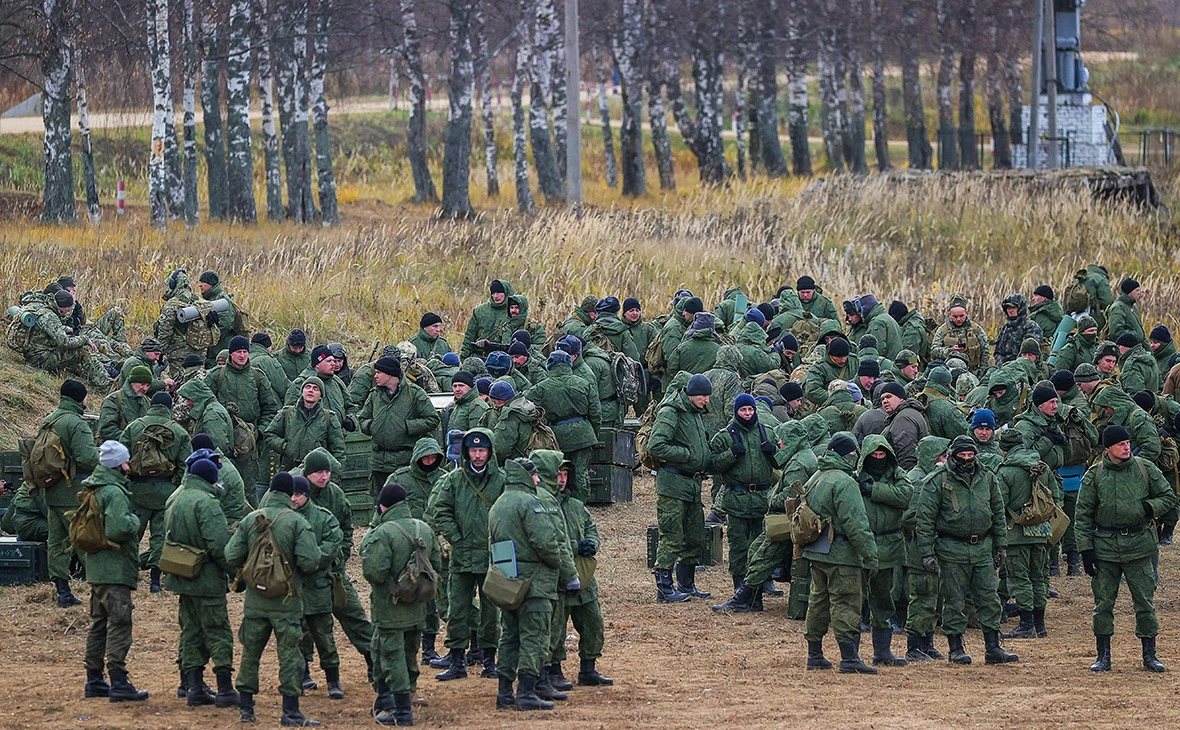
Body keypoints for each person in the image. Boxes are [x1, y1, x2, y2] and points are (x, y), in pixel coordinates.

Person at [1077, 425, 1177, 672]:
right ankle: (1103, 656)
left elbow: (1169, 496)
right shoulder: (1094, 475)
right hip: (1105, 548)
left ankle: (1149, 654)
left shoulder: (1145, 469)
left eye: (1127, 443)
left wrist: (1147, 508)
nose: (1126, 447)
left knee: (1144, 601)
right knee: (1103, 604)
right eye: (1120, 444)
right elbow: (1083, 515)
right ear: (1108, 448)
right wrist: (1085, 550)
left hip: (1139, 546)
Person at [224, 472, 322, 726]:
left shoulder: (250, 519)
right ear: (290, 494)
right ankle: (290, 711)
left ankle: (246, 708)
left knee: (250, 653)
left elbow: (231, 554)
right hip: (286, 600)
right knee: (290, 653)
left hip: (256, 599)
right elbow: (310, 561)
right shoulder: (296, 522)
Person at [914, 436, 1018, 666]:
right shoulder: (937, 481)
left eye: (971, 455)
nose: (967, 459)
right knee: (954, 600)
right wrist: (927, 553)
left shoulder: (987, 478)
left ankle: (993, 647)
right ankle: (956, 648)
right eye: (963, 456)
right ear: (953, 455)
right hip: (950, 548)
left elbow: (998, 513)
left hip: (982, 547)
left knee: (989, 598)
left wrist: (1001, 545)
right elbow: (924, 521)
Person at [488, 457, 578, 711]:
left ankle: (505, 692)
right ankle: (527, 692)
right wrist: (560, 567)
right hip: (536, 585)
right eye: (535, 476)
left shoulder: (499, 504)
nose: (538, 480)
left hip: (508, 582)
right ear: (527, 477)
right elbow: (547, 543)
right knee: (535, 637)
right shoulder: (530, 503)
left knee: (509, 637)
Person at [426, 429, 505, 680]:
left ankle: (489, 662)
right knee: (458, 608)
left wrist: (499, 541)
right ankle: (457, 661)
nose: (478, 455)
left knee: (491, 611)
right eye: (473, 450)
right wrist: (456, 539)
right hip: (462, 554)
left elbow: (510, 512)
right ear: (466, 452)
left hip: (492, 555)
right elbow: (441, 511)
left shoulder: (501, 480)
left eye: (482, 450)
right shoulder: (454, 480)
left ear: (490, 452)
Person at [362, 483, 442, 726]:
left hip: (390, 607)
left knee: (390, 654)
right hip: (418, 605)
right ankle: (396, 697)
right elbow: (437, 563)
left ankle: (401, 711)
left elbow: (374, 571)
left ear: (383, 506)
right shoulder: (424, 529)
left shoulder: (383, 532)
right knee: (409, 652)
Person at [162, 454, 238, 709]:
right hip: (206, 579)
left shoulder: (176, 498)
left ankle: (194, 687)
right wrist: (237, 573)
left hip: (182, 576)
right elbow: (219, 546)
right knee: (218, 631)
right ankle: (225, 688)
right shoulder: (207, 503)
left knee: (191, 632)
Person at [800, 434, 879, 673]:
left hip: (817, 550)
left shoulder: (817, 476)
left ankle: (815, 655)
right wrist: (870, 555)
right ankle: (849, 657)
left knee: (818, 602)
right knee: (845, 601)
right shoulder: (844, 482)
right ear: (848, 454)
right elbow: (856, 524)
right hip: (841, 553)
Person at [81, 441, 150, 702]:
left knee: (98, 624)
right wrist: (134, 520)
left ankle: (94, 680)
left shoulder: (93, 487)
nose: (129, 464)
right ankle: (119, 682)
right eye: (127, 460)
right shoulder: (115, 492)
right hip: (115, 568)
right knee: (120, 623)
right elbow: (118, 528)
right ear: (121, 464)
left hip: (97, 568)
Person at [648, 374, 716, 603]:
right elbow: (656, 445)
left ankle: (686, 583)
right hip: (673, 484)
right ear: (691, 393)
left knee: (695, 536)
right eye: (703, 395)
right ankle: (665, 588)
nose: (707, 400)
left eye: (708, 396)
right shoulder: (671, 411)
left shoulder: (695, 413)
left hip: (692, 485)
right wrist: (687, 456)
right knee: (672, 536)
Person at [546, 456, 612, 687]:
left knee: (593, 624)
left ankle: (588, 669)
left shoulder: (576, 506)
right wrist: (576, 546)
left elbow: (591, 529)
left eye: (565, 475)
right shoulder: (542, 507)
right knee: (555, 628)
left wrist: (592, 543)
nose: (562, 480)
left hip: (583, 577)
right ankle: (553, 671)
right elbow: (546, 542)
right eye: (558, 475)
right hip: (557, 578)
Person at [710, 394, 783, 598]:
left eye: (750, 410)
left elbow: (780, 461)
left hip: (761, 497)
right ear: (736, 412)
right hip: (737, 499)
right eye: (743, 410)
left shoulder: (766, 432)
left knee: (764, 543)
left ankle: (765, 580)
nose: (748, 414)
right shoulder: (725, 436)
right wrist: (731, 454)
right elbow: (712, 464)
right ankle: (739, 583)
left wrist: (773, 452)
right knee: (739, 544)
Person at [119, 391, 193, 592]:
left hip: (136, 490)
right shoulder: (179, 432)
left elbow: (121, 458)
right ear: (169, 408)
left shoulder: (133, 427)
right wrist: (176, 488)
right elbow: (185, 465)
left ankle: (128, 576)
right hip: (166, 492)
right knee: (160, 536)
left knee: (132, 534)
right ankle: (154, 581)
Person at [995, 429, 1059, 641]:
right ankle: (1040, 625)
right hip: (1041, 531)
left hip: (1015, 534)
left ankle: (1026, 624)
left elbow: (998, 504)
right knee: (1039, 577)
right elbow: (1056, 496)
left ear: (1003, 448)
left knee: (1019, 578)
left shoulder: (1005, 471)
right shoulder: (1042, 466)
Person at [387, 438, 447, 663]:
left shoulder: (444, 478)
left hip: (433, 546)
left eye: (433, 457)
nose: (429, 461)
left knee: (431, 596)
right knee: (405, 593)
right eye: (425, 457)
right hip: (406, 544)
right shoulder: (399, 479)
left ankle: (429, 648)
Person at [41, 380, 100, 608]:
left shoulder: (50, 419)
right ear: (80, 398)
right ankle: (104, 592)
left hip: (52, 491)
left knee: (57, 543)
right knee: (86, 540)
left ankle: (63, 592)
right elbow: (87, 458)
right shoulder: (76, 423)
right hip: (73, 492)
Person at [855, 435, 913, 667]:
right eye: (874, 455)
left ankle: (883, 651)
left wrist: (873, 490)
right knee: (854, 600)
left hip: (889, 545)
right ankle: (852, 653)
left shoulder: (898, 475)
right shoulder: (854, 478)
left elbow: (905, 496)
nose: (878, 459)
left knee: (883, 599)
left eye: (882, 455)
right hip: (861, 544)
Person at [290, 474, 347, 700]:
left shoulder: (324, 518)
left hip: (319, 586)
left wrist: (309, 560)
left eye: (298, 495)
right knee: (297, 635)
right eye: (290, 494)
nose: (293, 499)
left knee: (324, 636)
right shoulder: (284, 518)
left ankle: (333, 680)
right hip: (293, 588)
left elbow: (333, 544)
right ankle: (303, 675)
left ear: (306, 495)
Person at [205, 335, 281, 491]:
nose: (242, 355)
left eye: (245, 351)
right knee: (221, 486)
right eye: (238, 352)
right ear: (231, 353)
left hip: (250, 442)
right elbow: (204, 404)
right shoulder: (216, 375)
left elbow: (270, 408)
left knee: (249, 487)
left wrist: (259, 432)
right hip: (223, 439)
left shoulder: (257, 376)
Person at [360, 356, 440, 500]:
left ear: (390, 374)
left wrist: (408, 426)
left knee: (403, 502)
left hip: (403, 461)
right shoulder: (374, 395)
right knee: (380, 504)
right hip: (379, 462)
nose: (375, 376)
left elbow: (433, 419)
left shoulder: (414, 393)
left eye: (379, 372)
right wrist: (371, 426)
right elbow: (362, 419)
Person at [526, 350, 601, 502]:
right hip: (583, 433)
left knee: (556, 472)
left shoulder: (541, 388)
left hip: (556, 436)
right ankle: (579, 506)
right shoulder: (584, 383)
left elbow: (527, 408)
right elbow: (596, 413)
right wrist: (592, 433)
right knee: (579, 474)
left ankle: (557, 504)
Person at [23, 288, 112, 388]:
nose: (69, 310)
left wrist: (66, 329)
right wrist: (85, 339)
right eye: (68, 308)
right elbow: (65, 342)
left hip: (36, 354)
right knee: (84, 350)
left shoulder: (44, 308)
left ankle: (103, 375)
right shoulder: (50, 316)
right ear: (62, 306)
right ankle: (105, 385)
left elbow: (49, 328)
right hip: (41, 359)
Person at [265, 377, 345, 470]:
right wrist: (285, 447)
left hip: (316, 472)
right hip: (289, 470)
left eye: (316, 388)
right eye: (308, 387)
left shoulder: (329, 417)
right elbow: (269, 435)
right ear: (302, 391)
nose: (311, 390)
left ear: (321, 396)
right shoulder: (287, 413)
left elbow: (338, 450)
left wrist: (333, 477)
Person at [930, 294, 990, 375]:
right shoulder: (943, 330)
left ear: (966, 313)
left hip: (973, 373)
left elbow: (985, 352)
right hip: (949, 373)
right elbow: (933, 351)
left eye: (961, 316)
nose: (958, 319)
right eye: (955, 316)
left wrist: (983, 374)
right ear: (949, 314)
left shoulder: (976, 329)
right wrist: (950, 350)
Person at [462, 279, 519, 357]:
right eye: (493, 293)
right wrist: (464, 357)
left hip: (504, 358)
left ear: (506, 293)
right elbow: (469, 337)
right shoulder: (480, 311)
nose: (496, 296)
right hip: (479, 356)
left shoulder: (515, 312)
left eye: (499, 292)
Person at [880, 382, 929, 472]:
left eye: (889, 397)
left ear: (901, 399)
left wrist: (904, 480)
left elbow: (907, 456)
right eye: (882, 398)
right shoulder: (906, 413)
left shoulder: (903, 418)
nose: (885, 401)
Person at [96, 366, 151, 442]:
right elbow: (107, 430)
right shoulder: (113, 400)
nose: (145, 388)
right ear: (132, 382)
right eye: (142, 384)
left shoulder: (147, 402)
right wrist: (131, 440)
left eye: (148, 385)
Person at [196, 271, 239, 367]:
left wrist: (210, 332)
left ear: (211, 284)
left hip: (221, 348)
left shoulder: (222, 300)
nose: (200, 285)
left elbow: (226, 325)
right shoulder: (211, 299)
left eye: (203, 282)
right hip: (213, 349)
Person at [844, 294, 902, 360]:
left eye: (860, 311)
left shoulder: (876, 323)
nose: (861, 314)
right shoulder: (886, 317)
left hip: (886, 366)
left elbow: (875, 351)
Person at [994, 294, 1044, 366]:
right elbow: (998, 352)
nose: (1010, 310)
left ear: (1021, 308)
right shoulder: (1005, 328)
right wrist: (1001, 365)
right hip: (1004, 369)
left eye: (1013, 307)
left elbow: (1031, 354)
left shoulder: (1031, 327)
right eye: (1008, 308)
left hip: (1023, 368)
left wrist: (1014, 367)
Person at [248, 333, 291, 403]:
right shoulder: (267, 360)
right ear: (268, 347)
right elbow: (283, 387)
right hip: (268, 406)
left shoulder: (243, 357)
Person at [1104, 278, 1145, 344]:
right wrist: (1134, 336)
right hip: (1126, 348)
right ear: (1130, 292)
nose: (1139, 293)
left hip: (1137, 347)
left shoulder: (1132, 307)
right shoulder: (1118, 307)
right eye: (1137, 290)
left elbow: (1142, 336)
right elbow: (1116, 333)